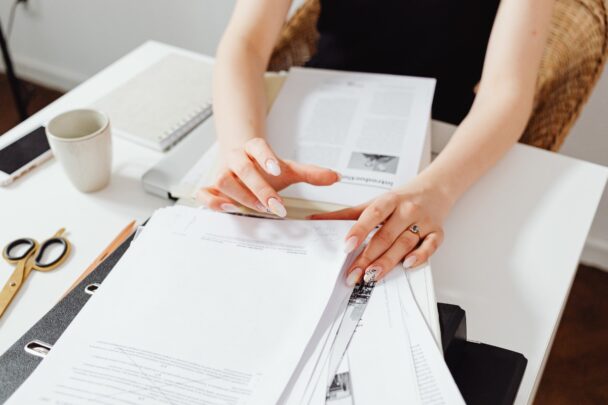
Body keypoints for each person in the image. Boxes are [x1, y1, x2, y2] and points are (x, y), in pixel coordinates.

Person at [197, 0, 555, 286]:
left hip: (443, 147)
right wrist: (242, 148)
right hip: (315, 123)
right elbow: (245, 44)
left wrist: (436, 191)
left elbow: (506, 89)